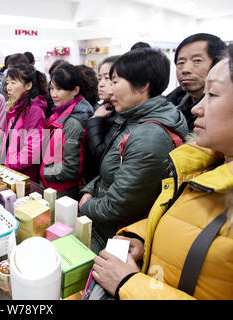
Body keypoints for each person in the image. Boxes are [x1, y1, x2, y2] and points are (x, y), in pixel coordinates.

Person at [92, 45, 233, 300]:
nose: (196, 109)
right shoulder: (207, 162)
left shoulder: (151, 135)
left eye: (212, 94)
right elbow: (183, 220)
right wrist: (143, 237)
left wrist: (128, 283)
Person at [79, 48, 189, 253]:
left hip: (116, 238)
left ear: (143, 85)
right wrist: (89, 191)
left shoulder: (150, 137)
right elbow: (110, 170)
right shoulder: (132, 119)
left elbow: (118, 207)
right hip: (103, 226)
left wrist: (85, 205)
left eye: (115, 81)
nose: (110, 90)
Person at [40, 62, 94, 200]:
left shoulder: (74, 122)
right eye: (52, 89)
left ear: (75, 90)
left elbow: (71, 169)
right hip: (52, 185)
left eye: (59, 89)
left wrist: (44, 171)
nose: (54, 94)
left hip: (63, 191)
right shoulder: (58, 113)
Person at [166, 33, 226, 132]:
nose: (185, 70)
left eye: (197, 61)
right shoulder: (171, 105)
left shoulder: (223, 112)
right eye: (181, 62)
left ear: (218, 63)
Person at [1, 63, 48, 183]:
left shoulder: (34, 110)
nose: (8, 87)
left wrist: (10, 165)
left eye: (13, 82)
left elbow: (33, 149)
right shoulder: (15, 106)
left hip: (23, 174)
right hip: (11, 171)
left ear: (28, 85)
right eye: (7, 83)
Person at [85, 55, 121, 175]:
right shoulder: (105, 108)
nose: (101, 84)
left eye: (107, 78)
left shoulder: (120, 113)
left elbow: (100, 154)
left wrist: (96, 119)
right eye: (99, 78)